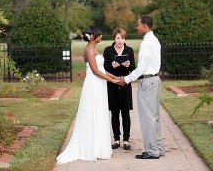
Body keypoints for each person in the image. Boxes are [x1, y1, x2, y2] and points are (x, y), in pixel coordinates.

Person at [56, 26, 121, 164]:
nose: (101, 36)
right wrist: (113, 81)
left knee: (99, 113)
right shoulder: (89, 50)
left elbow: (102, 69)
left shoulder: (94, 49)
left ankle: (98, 147)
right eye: (99, 34)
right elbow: (96, 71)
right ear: (92, 36)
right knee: (93, 113)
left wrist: (115, 77)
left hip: (100, 85)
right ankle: (91, 148)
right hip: (93, 85)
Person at [120, 15, 165, 160]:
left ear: (145, 25)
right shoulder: (155, 40)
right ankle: (158, 148)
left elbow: (143, 67)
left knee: (148, 118)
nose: (137, 27)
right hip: (155, 80)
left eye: (138, 24)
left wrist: (126, 79)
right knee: (155, 117)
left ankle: (152, 151)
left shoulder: (147, 43)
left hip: (147, 81)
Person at [103, 27, 136, 151]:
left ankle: (126, 140)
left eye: (122, 38)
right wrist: (112, 65)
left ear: (125, 38)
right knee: (115, 112)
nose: (120, 41)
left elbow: (134, 68)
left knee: (126, 113)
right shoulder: (108, 50)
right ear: (114, 38)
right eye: (118, 38)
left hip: (125, 83)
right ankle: (116, 139)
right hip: (112, 84)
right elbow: (104, 67)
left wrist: (129, 65)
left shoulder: (129, 50)